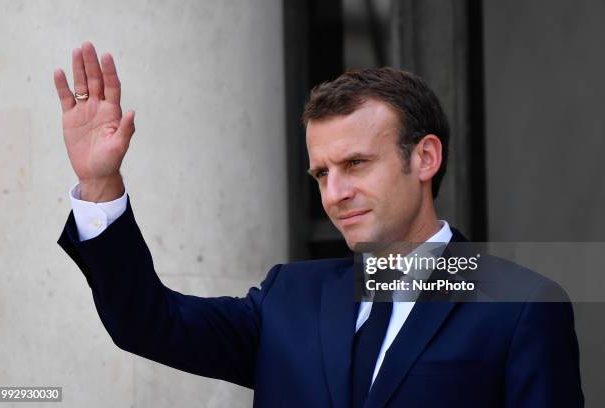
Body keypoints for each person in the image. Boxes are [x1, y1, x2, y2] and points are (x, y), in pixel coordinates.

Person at [54, 42, 584, 407]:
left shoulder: (521, 308)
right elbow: (147, 323)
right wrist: (101, 184)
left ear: (424, 158)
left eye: (355, 164)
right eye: (321, 173)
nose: (335, 194)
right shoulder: (291, 297)